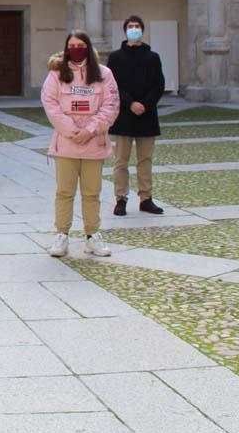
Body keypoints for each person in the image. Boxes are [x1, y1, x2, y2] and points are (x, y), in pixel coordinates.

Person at [41, 30, 120, 259]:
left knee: (91, 192)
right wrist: (72, 130)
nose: (76, 49)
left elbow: (111, 105)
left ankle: (92, 236)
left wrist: (90, 130)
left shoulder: (104, 74)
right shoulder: (56, 74)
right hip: (67, 143)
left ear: (88, 47)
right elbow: (50, 103)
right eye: (72, 45)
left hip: (93, 142)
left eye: (80, 45)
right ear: (66, 48)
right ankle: (62, 235)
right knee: (64, 192)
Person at [106, 15, 166, 217]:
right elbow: (113, 86)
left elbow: (159, 85)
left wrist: (145, 104)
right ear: (125, 31)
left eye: (137, 26)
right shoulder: (115, 57)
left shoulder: (153, 57)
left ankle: (146, 198)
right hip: (124, 115)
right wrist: (130, 103)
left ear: (142, 30)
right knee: (121, 161)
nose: (134, 29)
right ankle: (120, 199)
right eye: (130, 26)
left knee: (145, 160)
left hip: (147, 115)